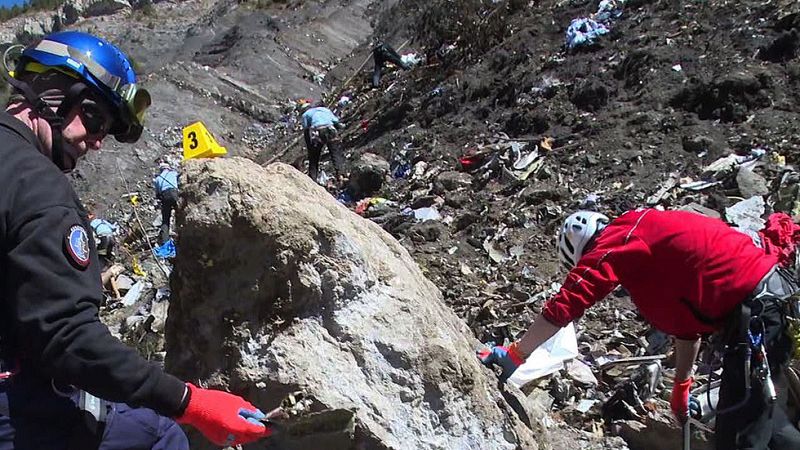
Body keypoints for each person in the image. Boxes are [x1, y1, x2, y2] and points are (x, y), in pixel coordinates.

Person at [0, 31, 272, 449]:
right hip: (13, 406)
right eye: (94, 119)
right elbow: (67, 337)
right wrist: (189, 401)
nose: (96, 142)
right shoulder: (39, 187)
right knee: (159, 435)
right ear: (51, 91)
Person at [479, 209, 800, 450]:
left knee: (740, 435)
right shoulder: (650, 243)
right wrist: (682, 385)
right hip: (768, 307)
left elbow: (568, 301)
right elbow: (687, 329)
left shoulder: (621, 236)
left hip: (756, 314)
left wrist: (516, 354)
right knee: (764, 421)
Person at [301, 102, 346, 184]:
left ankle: (312, 179)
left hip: (318, 132)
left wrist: (310, 147)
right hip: (331, 130)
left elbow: (306, 129)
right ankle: (341, 175)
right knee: (335, 153)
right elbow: (336, 121)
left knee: (314, 157)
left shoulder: (305, 114)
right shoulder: (325, 110)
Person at [153, 161, 178, 244]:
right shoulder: (174, 173)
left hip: (165, 196)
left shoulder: (158, 179)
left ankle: (165, 242)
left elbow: (157, 194)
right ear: (168, 168)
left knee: (165, 220)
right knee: (180, 214)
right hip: (175, 194)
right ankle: (181, 234)